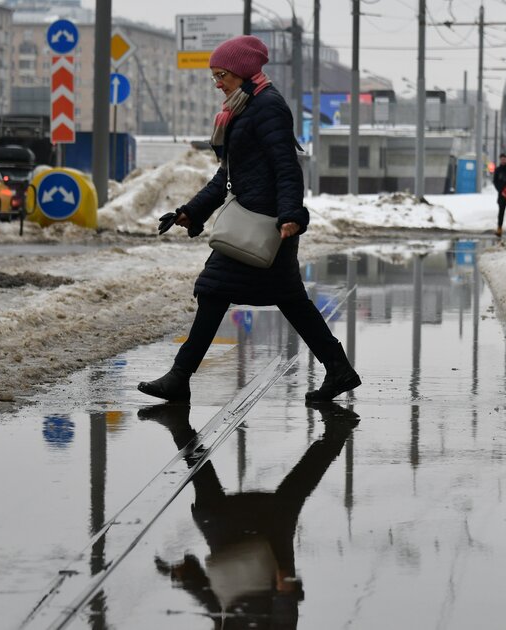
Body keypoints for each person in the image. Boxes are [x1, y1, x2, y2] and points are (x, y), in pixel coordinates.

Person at [140, 35, 360, 404]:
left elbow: (287, 167)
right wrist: (191, 211)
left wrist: (291, 215)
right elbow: (227, 176)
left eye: (222, 74)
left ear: (243, 72)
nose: (217, 83)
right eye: (214, 75)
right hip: (256, 222)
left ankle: (179, 378)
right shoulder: (242, 109)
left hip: (267, 226)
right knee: (286, 300)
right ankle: (338, 369)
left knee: (216, 290)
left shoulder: (267, 107)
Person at [148, 402, 360, 630]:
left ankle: (180, 429)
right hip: (268, 558)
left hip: (229, 549)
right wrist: (285, 592)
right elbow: (283, 622)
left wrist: (188, 579)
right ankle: (337, 432)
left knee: (210, 510)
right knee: (284, 506)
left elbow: (217, 609)